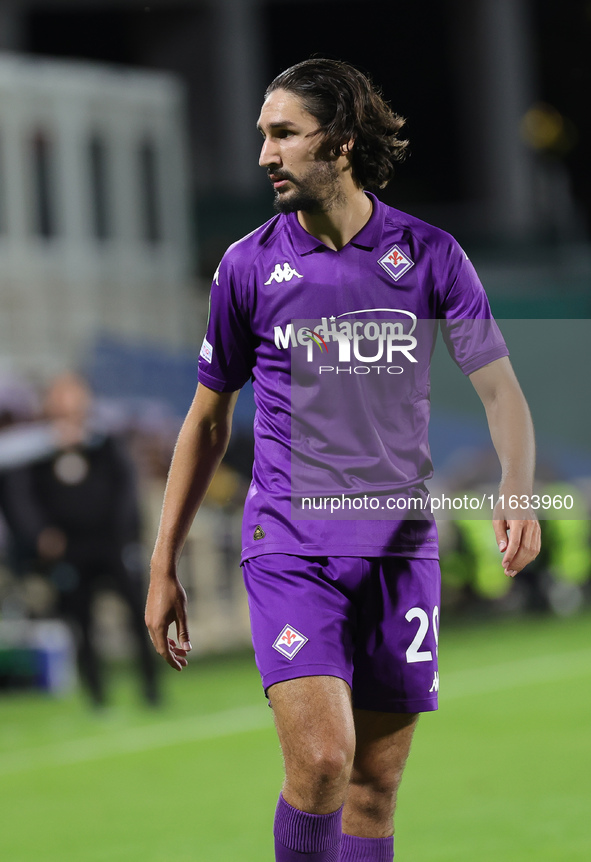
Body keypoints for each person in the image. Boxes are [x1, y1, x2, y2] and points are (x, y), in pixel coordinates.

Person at [145, 59, 541, 861]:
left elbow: (500, 392)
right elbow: (207, 423)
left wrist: (517, 488)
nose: (264, 154)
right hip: (291, 544)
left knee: (373, 785)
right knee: (323, 762)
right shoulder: (247, 266)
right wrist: (163, 563)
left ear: (342, 143)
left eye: (284, 134)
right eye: (263, 134)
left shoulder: (430, 256)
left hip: (399, 549)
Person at [3, 372, 160, 707]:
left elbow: (126, 487)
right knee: (80, 621)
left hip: (112, 543)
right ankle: (97, 696)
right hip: (68, 548)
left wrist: (127, 532)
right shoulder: (32, 447)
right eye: (61, 396)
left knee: (138, 612)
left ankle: (151, 688)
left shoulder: (103, 440)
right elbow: (21, 497)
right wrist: (40, 535)